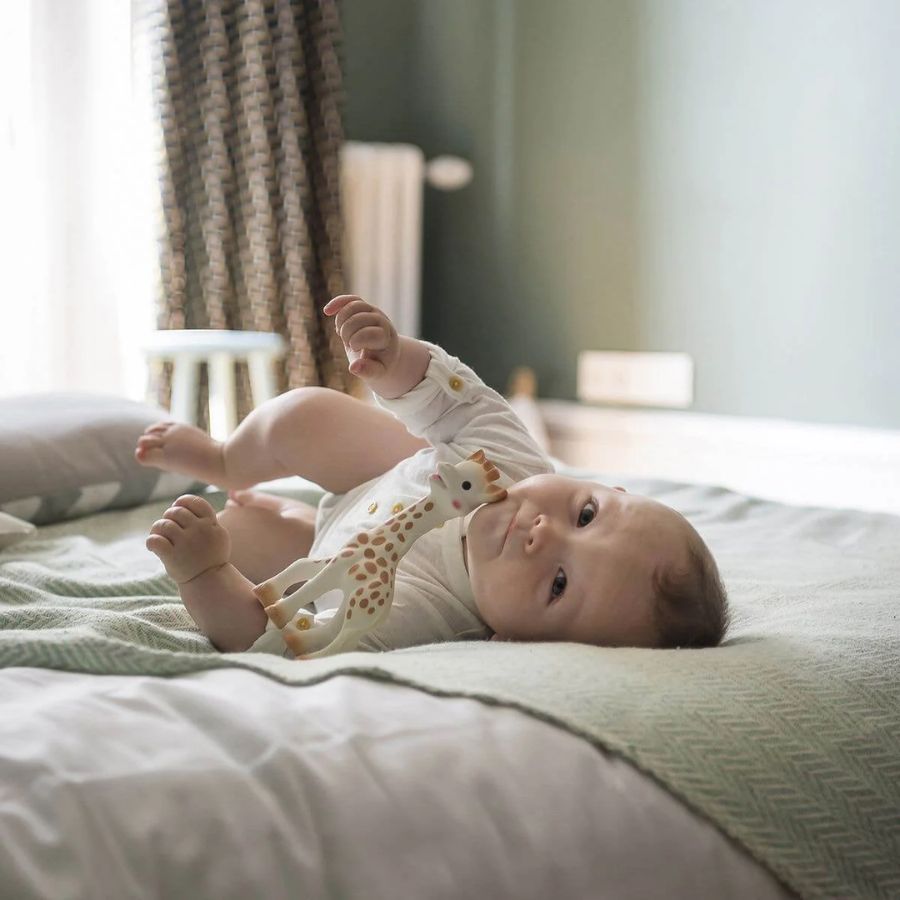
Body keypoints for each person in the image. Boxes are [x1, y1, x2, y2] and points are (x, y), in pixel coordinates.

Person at [136, 295, 729, 655]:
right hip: (381, 472)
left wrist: (205, 573)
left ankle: (293, 525)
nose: (544, 533)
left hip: (337, 559)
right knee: (306, 416)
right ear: (604, 488)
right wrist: (397, 360)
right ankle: (227, 459)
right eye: (586, 514)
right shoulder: (514, 462)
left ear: (516, 643)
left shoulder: (422, 612)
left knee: (239, 543)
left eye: (557, 584)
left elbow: (282, 639)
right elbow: (457, 400)